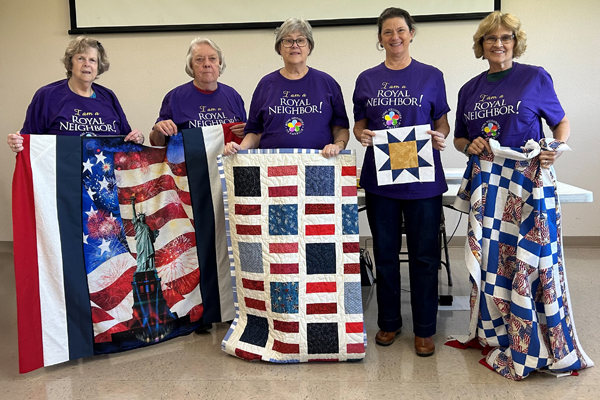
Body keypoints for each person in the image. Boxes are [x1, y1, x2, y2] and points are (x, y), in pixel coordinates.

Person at [451, 11, 592, 379]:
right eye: (490, 39)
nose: (499, 44)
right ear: (480, 45)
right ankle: (495, 331)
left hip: (528, 184)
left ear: (516, 42)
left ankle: (539, 336)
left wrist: (556, 146)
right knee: (492, 261)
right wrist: (471, 144)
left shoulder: (534, 77)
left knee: (531, 260)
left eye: (506, 38)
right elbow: (460, 138)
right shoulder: (470, 88)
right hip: (489, 190)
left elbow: (560, 122)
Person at [353, 7, 450, 356]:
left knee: (424, 254)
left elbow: (442, 124)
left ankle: (425, 328)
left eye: (401, 30)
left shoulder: (431, 76)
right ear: (380, 39)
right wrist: (362, 135)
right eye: (387, 32)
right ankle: (389, 322)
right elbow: (359, 124)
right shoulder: (366, 79)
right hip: (382, 180)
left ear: (411, 33)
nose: (395, 37)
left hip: (423, 179)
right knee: (385, 252)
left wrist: (439, 137)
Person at [223, 17, 349, 158]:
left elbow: (340, 128)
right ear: (279, 48)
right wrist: (240, 148)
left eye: (300, 40)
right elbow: (255, 132)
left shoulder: (327, 83)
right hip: (272, 168)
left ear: (309, 47)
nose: (294, 45)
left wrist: (338, 145)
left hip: (319, 165)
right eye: (288, 41)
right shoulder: (266, 85)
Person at [6, 37, 143, 152]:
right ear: (70, 63)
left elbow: (126, 140)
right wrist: (17, 142)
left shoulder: (108, 96)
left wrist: (138, 138)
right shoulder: (47, 95)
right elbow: (28, 142)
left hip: (104, 178)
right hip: (61, 179)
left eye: (92, 60)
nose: (87, 64)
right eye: (81, 58)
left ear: (98, 66)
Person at [150, 37, 247, 146]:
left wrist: (248, 131)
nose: (207, 64)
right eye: (199, 59)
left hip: (228, 161)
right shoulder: (175, 97)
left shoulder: (233, 95)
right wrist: (159, 130)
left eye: (212, 58)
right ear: (191, 65)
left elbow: (247, 136)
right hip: (190, 162)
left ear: (219, 63)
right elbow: (158, 143)